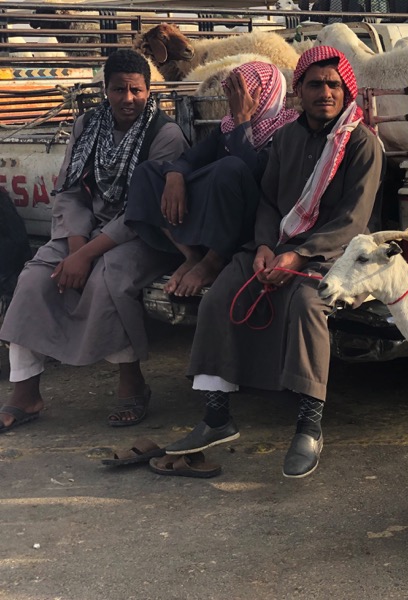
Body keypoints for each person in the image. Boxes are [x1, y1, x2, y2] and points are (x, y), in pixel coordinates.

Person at [161, 46, 385, 478]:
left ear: (346, 91)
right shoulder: (286, 138)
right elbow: (266, 201)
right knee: (220, 295)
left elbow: (353, 220)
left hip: (332, 253)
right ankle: (216, 416)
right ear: (298, 90)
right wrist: (264, 246)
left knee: (305, 305)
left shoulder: (361, 143)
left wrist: (297, 254)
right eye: (315, 84)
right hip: (274, 244)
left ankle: (309, 424)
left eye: (334, 85)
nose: (325, 92)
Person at [0, 49, 189, 433]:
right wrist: (75, 248)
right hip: (82, 231)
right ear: (106, 90)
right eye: (119, 90)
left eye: (136, 90)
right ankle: (25, 392)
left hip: (142, 234)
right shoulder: (88, 125)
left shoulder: (164, 134)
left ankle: (132, 383)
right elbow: (68, 190)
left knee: (109, 280)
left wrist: (86, 255)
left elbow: (143, 211)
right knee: (33, 279)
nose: (128, 99)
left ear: (148, 91)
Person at [125, 61, 298, 297]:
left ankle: (213, 262)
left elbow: (253, 171)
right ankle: (192, 255)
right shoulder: (227, 127)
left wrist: (242, 121)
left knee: (230, 167)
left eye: (243, 93)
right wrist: (174, 174)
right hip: (217, 217)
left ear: (266, 93)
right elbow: (191, 158)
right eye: (233, 93)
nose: (236, 100)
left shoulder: (286, 130)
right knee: (147, 173)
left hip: (251, 223)